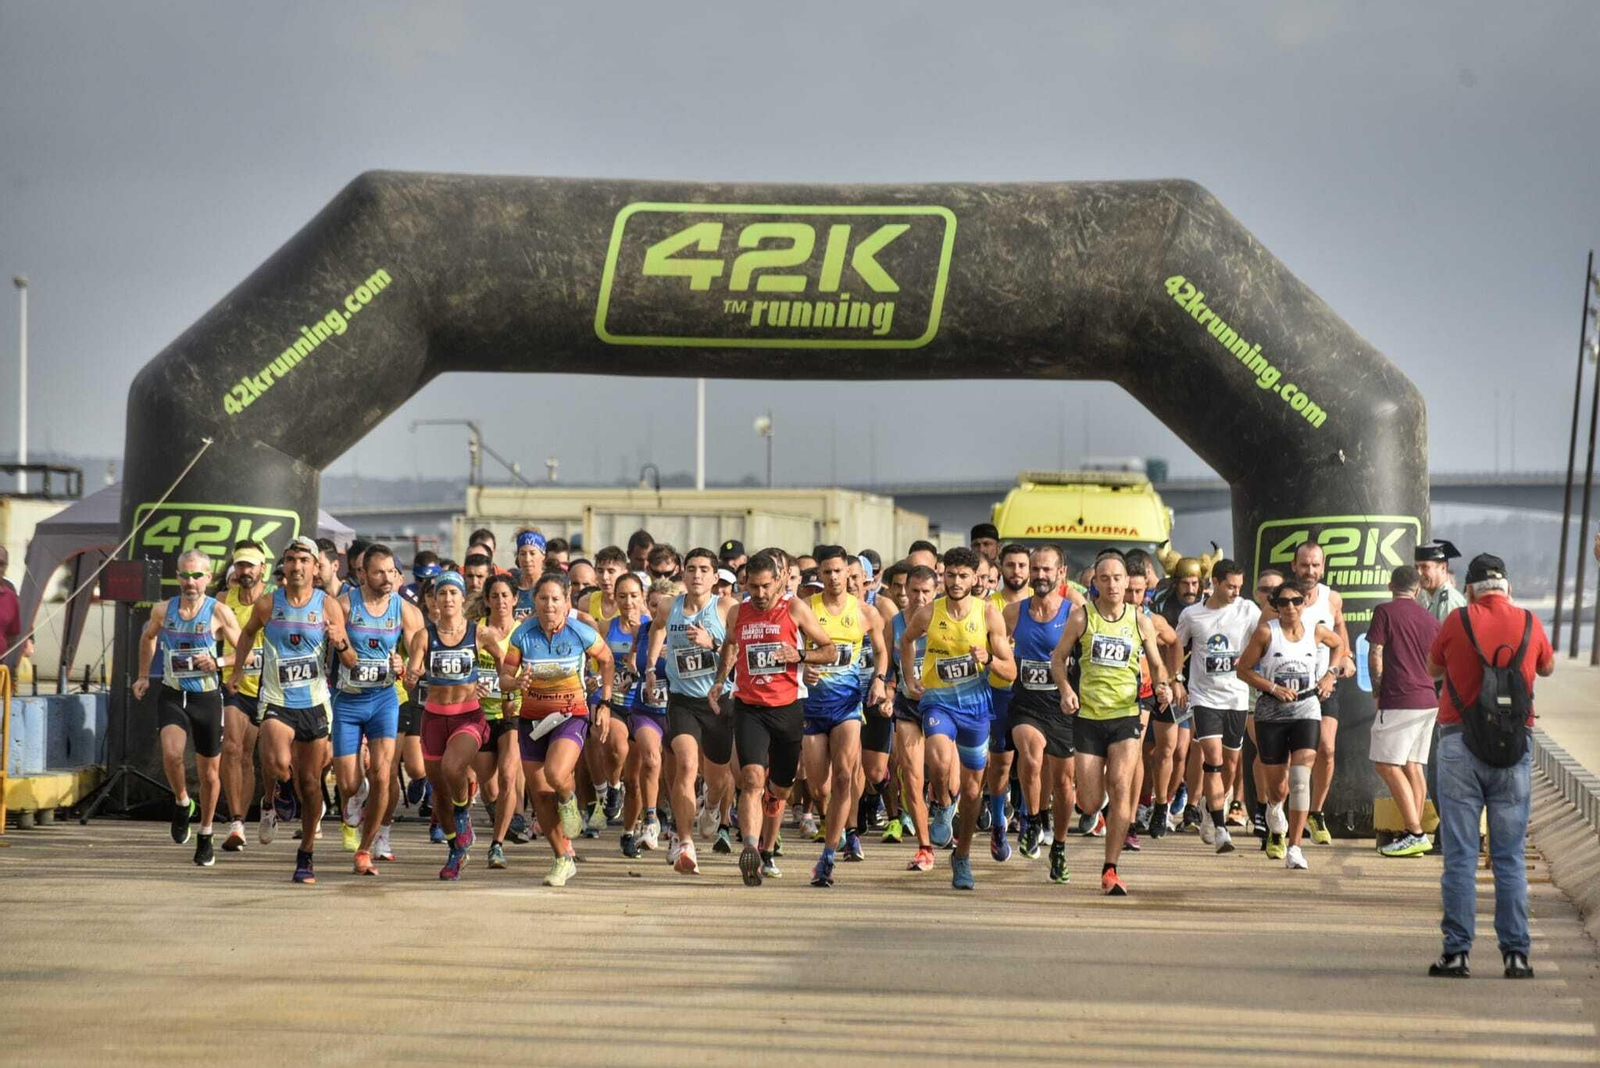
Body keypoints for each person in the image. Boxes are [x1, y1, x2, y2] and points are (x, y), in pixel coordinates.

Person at [1426, 553, 1553, 980]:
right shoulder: (1530, 623)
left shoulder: (1456, 620)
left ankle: (1457, 953)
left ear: (1470, 590)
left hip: (1459, 743)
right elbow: (1547, 667)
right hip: (1513, 747)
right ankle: (1516, 954)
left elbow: (1433, 668)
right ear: (1507, 588)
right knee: (1509, 856)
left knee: (1460, 855)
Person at [227, 536, 352, 885]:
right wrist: (237, 671)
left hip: (314, 704)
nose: (297, 567)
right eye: (291, 560)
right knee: (279, 764)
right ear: (285, 565)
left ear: (315, 567)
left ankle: (306, 853)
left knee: (311, 784)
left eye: (303, 561)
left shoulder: (328, 606)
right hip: (276, 700)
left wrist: (339, 641)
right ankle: (279, 791)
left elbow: (349, 657)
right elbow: (247, 634)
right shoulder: (269, 604)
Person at [1049, 551, 1171, 895]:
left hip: (1126, 715)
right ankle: (1093, 812)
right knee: (1089, 801)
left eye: (1118, 578)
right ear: (1096, 583)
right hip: (1088, 716)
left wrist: (1162, 685)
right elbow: (1058, 659)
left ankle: (1110, 869)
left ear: (1127, 582)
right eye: (1105, 578)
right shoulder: (1081, 617)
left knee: (1120, 784)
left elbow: (1158, 663)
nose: (1113, 584)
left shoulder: (1140, 620)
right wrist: (1065, 690)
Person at [711, 551, 836, 887]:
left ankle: (767, 849)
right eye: (754, 587)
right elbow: (731, 646)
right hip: (750, 707)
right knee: (752, 779)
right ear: (745, 583)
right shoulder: (738, 611)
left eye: (766, 586)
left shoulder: (794, 608)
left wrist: (800, 655)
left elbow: (830, 649)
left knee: (779, 789)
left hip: (787, 709)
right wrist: (721, 679)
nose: (761, 594)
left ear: (779, 580)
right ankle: (750, 849)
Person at [901, 547, 1016, 891]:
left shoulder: (988, 615)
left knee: (971, 788)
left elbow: (1009, 671)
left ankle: (962, 856)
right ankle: (942, 804)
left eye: (963, 576)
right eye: (949, 575)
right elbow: (905, 642)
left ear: (975, 579)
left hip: (976, 708)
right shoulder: (928, 613)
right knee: (937, 759)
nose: (955, 582)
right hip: (938, 701)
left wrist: (988, 660)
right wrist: (910, 680)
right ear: (942, 576)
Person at [500, 571, 614, 888]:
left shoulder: (580, 632)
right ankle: (562, 858)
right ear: (534, 601)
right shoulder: (523, 634)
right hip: (531, 721)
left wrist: (604, 702)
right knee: (539, 794)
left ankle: (569, 799)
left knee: (554, 774)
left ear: (566, 603)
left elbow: (607, 661)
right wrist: (515, 683)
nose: (549, 605)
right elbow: (504, 678)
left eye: (555, 599)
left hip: (570, 715)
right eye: (543, 598)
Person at [132, 550, 243, 867]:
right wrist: (143, 675)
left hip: (206, 698)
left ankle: (205, 833)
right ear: (177, 576)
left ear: (208, 578)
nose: (190, 582)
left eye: (197, 575)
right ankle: (182, 802)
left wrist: (218, 661)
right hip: (173, 693)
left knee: (209, 775)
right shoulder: (163, 610)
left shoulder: (218, 612)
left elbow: (246, 653)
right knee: (171, 754)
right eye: (184, 575)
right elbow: (148, 638)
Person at [644, 548, 740, 876]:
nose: (697, 575)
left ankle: (711, 806)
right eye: (691, 569)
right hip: (682, 699)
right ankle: (685, 842)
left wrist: (711, 644)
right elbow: (655, 628)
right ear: (682, 575)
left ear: (715, 577)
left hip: (717, 701)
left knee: (717, 778)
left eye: (704, 570)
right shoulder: (670, 606)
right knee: (685, 765)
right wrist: (651, 668)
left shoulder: (728, 608)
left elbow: (739, 651)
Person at [1236, 578, 1344, 870]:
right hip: (1271, 712)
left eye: (1296, 601)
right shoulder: (1265, 633)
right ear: (1275, 606)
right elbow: (1243, 670)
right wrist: (1272, 688)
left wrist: (1330, 675)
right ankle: (1274, 814)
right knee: (1278, 787)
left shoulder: (1316, 630)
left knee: (1299, 780)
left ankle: (1295, 847)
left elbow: (1339, 644)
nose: (1290, 607)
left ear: (1305, 603)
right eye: (1283, 602)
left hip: (1307, 708)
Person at [332, 544, 425, 874]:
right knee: (347, 784)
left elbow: (418, 654)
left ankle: (365, 849)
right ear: (362, 575)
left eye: (391, 571)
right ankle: (356, 797)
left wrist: (408, 666)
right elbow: (333, 650)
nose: (387, 578)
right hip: (348, 700)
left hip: (385, 699)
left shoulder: (405, 610)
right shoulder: (344, 606)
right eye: (378, 572)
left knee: (384, 774)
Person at [801, 546, 886, 887]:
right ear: (819, 576)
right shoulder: (806, 609)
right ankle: (831, 824)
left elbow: (881, 652)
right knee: (820, 787)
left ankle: (829, 856)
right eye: (828, 572)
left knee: (844, 777)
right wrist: (802, 669)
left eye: (840, 572)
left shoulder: (866, 612)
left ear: (851, 575)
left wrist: (879, 681)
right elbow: (790, 649)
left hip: (848, 706)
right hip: (812, 707)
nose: (835, 578)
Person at [1168, 558, 1259, 854]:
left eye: (1239, 587)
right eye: (1230, 586)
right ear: (1215, 584)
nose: (1235, 592)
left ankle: (1210, 807)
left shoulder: (1247, 610)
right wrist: (1176, 679)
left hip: (1236, 696)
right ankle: (1221, 829)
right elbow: (1176, 644)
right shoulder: (1192, 615)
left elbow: (1269, 633)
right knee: (1213, 758)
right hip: (1204, 697)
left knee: (1231, 766)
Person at [1005, 546, 1079, 883]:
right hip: (1026, 704)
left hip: (1062, 707)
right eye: (1035, 569)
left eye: (1046, 569)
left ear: (1061, 572)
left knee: (1064, 784)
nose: (1039, 575)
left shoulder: (1075, 612)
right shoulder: (1013, 612)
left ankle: (1059, 846)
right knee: (1031, 756)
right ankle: (1031, 820)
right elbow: (993, 644)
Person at [1367, 565, 1442, 858]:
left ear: (1389, 586)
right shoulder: (1430, 618)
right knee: (1413, 765)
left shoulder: (1384, 611)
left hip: (1399, 698)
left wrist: (1377, 689)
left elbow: (1375, 652)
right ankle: (1415, 833)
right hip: (1428, 700)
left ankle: (1414, 832)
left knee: (1386, 764)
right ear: (1418, 589)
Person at [1291, 542, 1354, 845]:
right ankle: (1284, 815)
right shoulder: (1284, 599)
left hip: (1325, 684)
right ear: (1294, 566)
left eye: (1316, 565)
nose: (1310, 571)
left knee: (1326, 749)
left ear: (1323, 567)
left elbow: (1340, 630)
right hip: (1291, 689)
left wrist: (1344, 659)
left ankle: (1316, 813)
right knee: (1296, 757)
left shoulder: (1332, 598)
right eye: (1305, 565)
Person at [217, 543, 270, 852]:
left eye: (251, 566)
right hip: (234, 685)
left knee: (258, 759)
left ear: (262, 568)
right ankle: (237, 822)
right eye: (240, 566)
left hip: (266, 688)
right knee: (232, 748)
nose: (245, 571)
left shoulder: (272, 600)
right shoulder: (224, 600)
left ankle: (268, 805)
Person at [1414, 539, 1467, 623]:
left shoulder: (1447, 601)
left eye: (1424, 567)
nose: (1418, 573)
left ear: (1443, 568)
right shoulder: (1438, 599)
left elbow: (1449, 634)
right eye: (1416, 567)